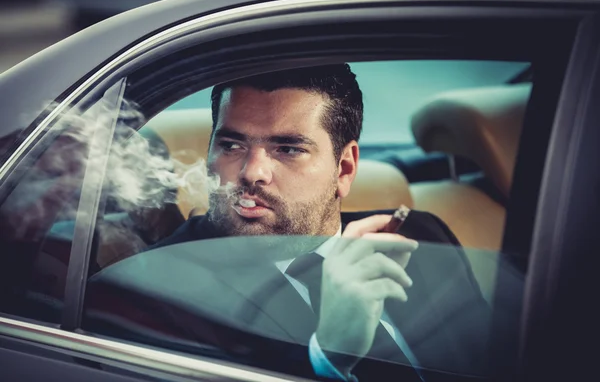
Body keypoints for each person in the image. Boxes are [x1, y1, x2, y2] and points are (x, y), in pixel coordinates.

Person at [141, 64, 492, 381]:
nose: (252, 172)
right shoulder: (154, 288)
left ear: (345, 169)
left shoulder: (420, 236)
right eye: (231, 145)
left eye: (288, 149)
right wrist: (328, 359)